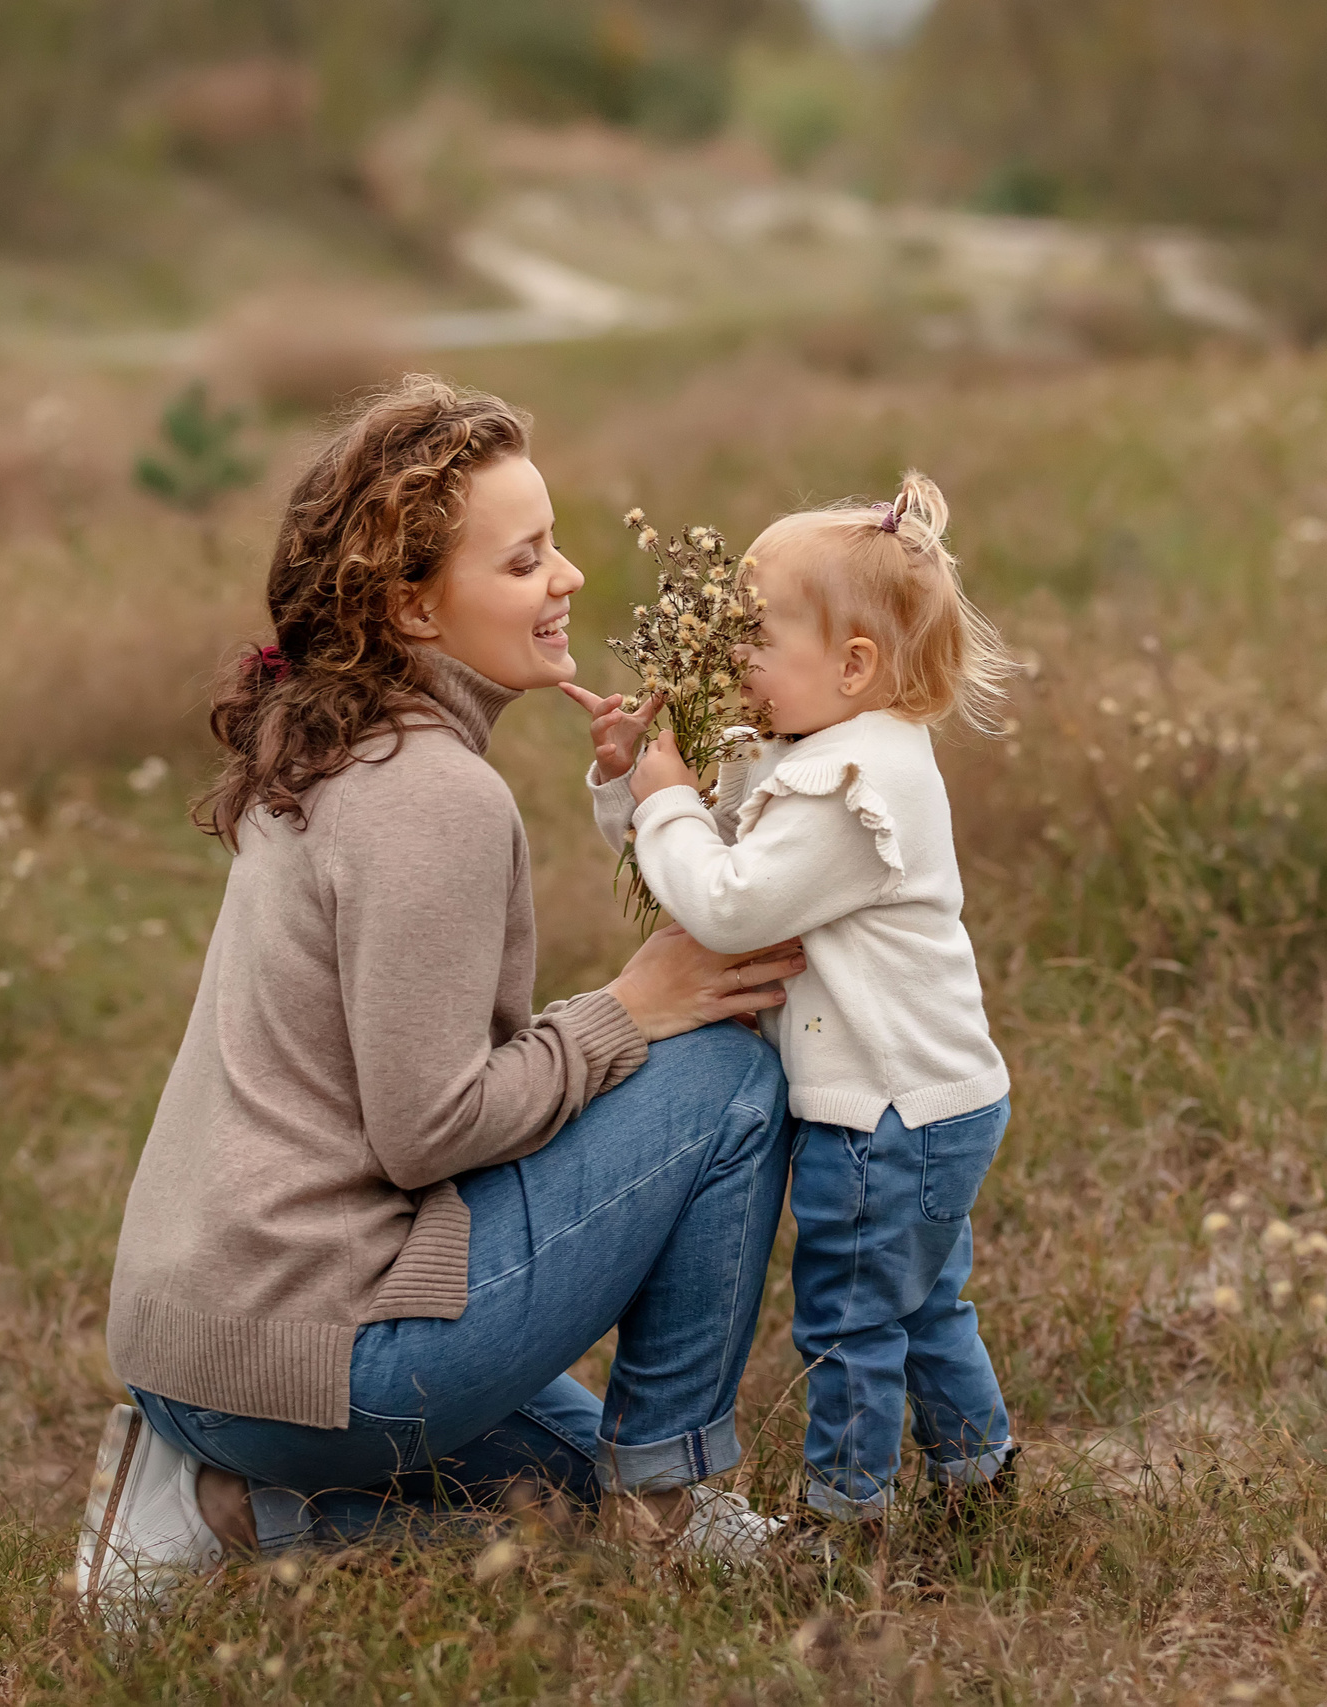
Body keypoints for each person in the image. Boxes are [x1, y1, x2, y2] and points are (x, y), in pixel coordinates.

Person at [77, 376, 805, 1623]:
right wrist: (628, 1009)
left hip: (203, 1347)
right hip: (319, 1355)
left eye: (555, 545)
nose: (568, 577)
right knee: (728, 1073)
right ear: (413, 603)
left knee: (567, 1497)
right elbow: (428, 1129)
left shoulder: (334, 743)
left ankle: (223, 1500)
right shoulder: (433, 797)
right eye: (524, 561)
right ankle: (673, 1506)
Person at [574, 472, 1020, 1537]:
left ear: (853, 663)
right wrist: (629, 786)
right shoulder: (816, 749)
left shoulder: (852, 780)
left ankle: (846, 1521)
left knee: (849, 1320)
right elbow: (706, 855)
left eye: (753, 636)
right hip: (929, 1097)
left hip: (885, 1116)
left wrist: (669, 801)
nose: (729, 656)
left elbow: (726, 904)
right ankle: (979, 1478)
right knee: (917, 1305)